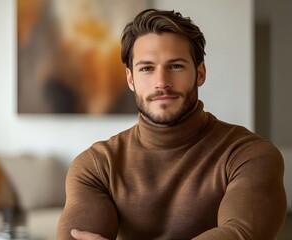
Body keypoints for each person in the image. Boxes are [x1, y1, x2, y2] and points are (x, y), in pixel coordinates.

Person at [57, 8, 287, 240]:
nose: (161, 82)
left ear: (200, 73)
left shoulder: (249, 154)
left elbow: (241, 234)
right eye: (147, 68)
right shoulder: (97, 165)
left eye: (175, 66)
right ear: (130, 79)